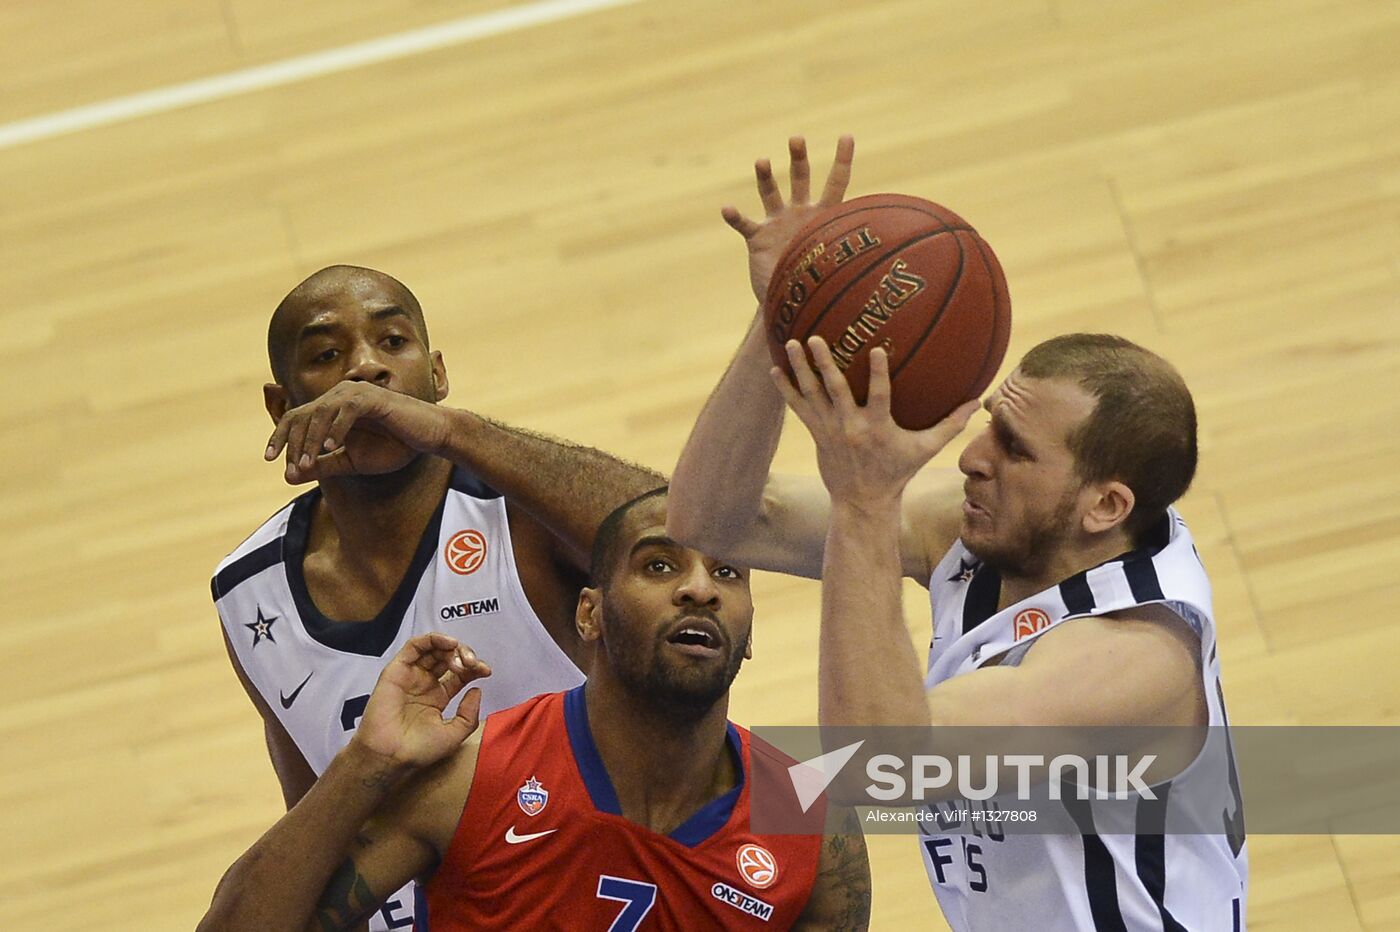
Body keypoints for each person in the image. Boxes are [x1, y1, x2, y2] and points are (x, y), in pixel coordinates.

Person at [668, 137, 1248, 930]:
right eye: (991, 425)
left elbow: (877, 771)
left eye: (1015, 450)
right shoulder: (988, 526)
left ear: (1106, 506)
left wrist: (866, 504)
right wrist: (784, 317)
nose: (972, 458)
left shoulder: (1133, 660)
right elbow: (716, 519)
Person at [212, 264, 663, 929]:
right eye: (328, 355)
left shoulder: (524, 514)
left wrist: (450, 432)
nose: (366, 368)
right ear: (283, 408)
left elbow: (681, 534)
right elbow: (312, 830)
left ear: (438, 375)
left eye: (393, 341)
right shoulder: (249, 593)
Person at [199, 490, 871, 931]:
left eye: (728, 573)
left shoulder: (814, 818)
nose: (700, 588)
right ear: (589, 614)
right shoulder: (469, 780)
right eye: (659, 567)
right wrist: (365, 766)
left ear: (749, 634)